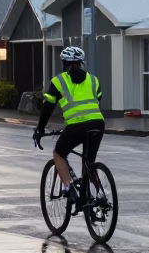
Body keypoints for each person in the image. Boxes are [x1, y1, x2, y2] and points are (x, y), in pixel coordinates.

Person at [33, 46, 105, 206]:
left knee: (58, 153)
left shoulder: (58, 81)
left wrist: (40, 129)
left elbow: (48, 107)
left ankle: (69, 188)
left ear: (64, 63)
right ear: (81, 63)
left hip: (77, 125)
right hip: (98, 123)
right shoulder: (94, 80)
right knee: (89, 162)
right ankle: (101, 196)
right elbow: (98, 102)